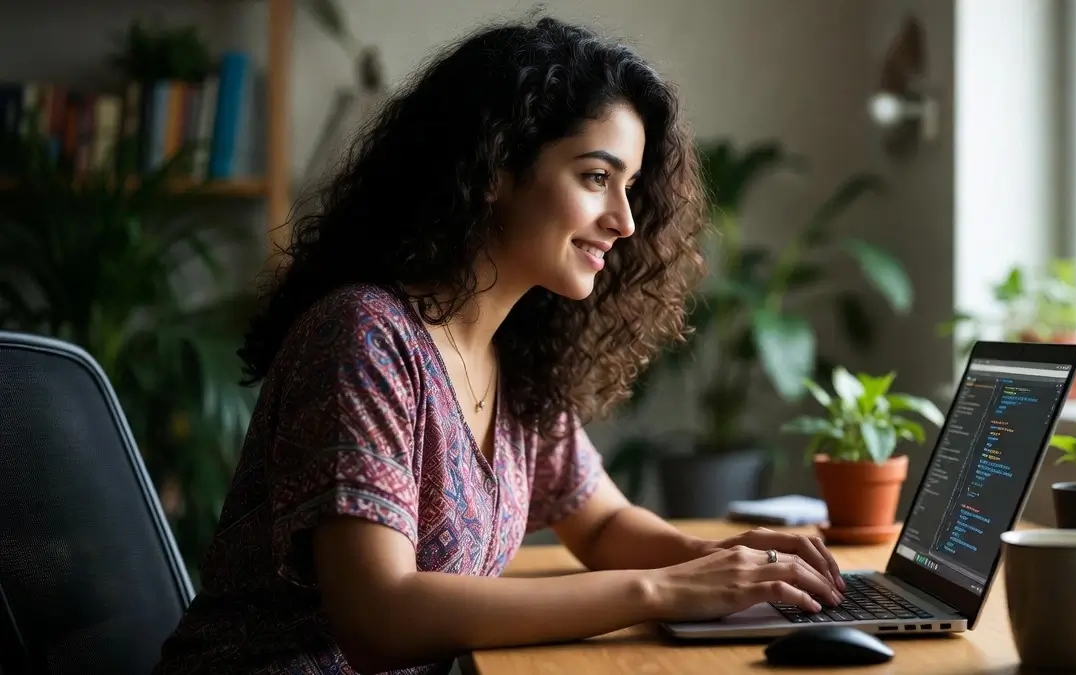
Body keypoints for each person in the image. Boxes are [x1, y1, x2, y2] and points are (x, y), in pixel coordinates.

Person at [152, 14, 846, 675]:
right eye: (597, 177)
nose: (626, 220)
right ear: (494, 169)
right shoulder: (365, 338)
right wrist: (661, 591)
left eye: (630, 187)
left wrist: (730, 562)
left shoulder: (515, 358)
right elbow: (377, 613)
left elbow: (602, 525)